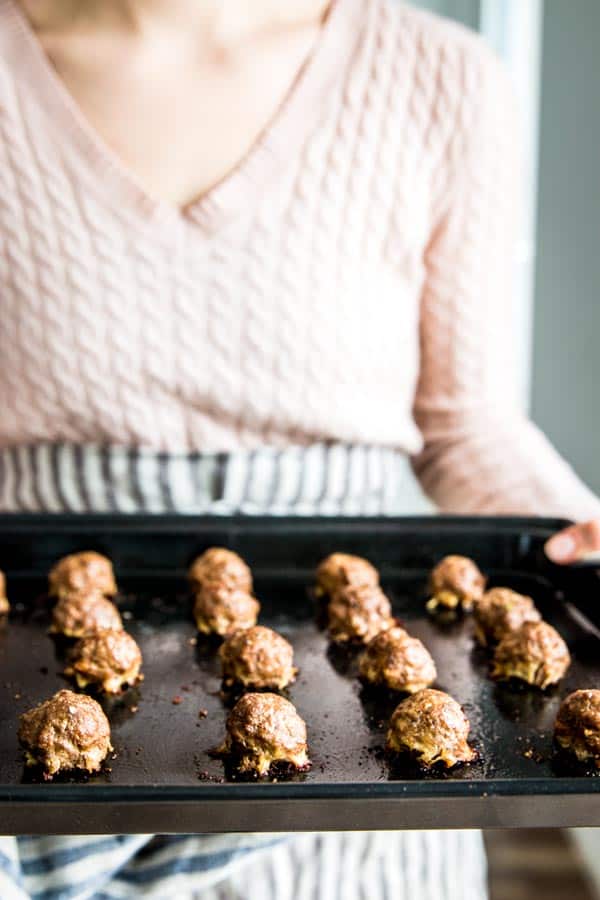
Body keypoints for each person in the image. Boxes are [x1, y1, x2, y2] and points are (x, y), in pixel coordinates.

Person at [0, 0, 598, 897]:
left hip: (351, 775)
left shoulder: (440, 77)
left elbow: (465, 424)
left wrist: (580, 530)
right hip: (39, 722)